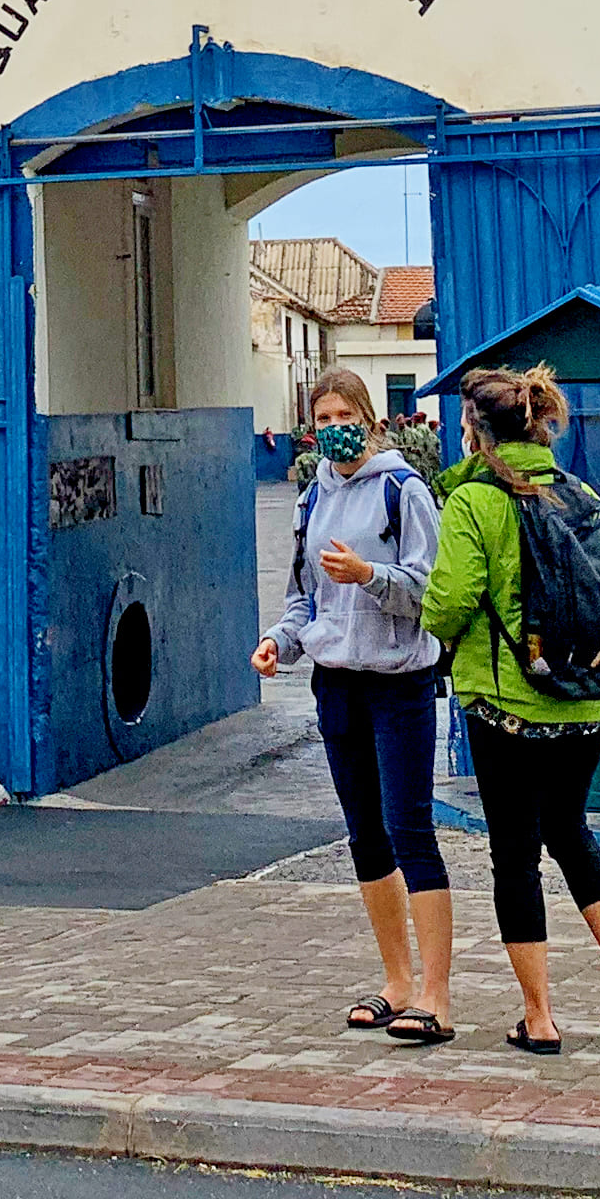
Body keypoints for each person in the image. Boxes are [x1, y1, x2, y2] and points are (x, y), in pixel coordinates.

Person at [418, 362, 600, 1054]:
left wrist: (434, 618)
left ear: (477, 433)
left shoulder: (475, 501)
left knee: (515, 857)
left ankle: (539, 1017)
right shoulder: (578, 492)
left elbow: (452, 599)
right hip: (586, 703)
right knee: (571, 830)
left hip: (507, 705)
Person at [255, 365, 454, 1044]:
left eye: (347, 416)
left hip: (398, 681)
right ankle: (395, 980)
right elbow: (302, 594)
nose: (336, 428)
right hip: (335, 680)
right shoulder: (311, 499)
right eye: (325, 417)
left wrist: (370, 576)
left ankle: (437, 993)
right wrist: (280, 641)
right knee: (365, 834)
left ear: (371, 419)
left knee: (410, 828)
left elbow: (433, 591)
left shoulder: (404, 491)